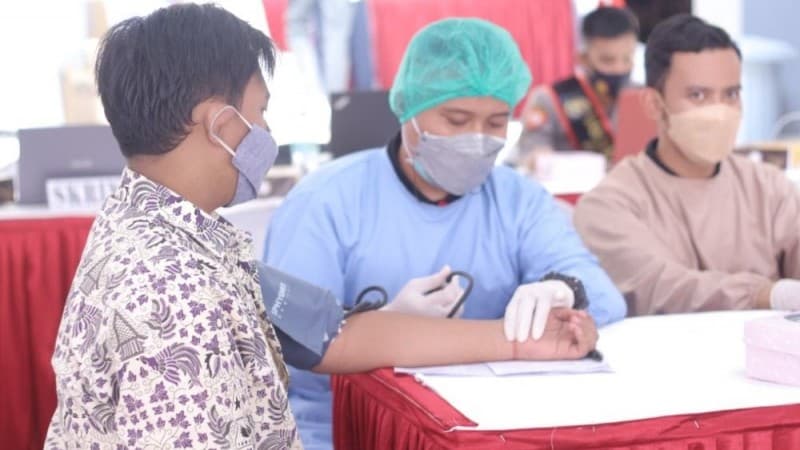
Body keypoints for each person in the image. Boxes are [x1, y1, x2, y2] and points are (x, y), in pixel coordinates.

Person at [44, 5, 598, 449]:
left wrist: (519, 340)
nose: (265, 131)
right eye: (260, 112)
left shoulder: (174, 233)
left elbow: (330, 336)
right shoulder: (171, 291)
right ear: (220, 125)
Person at [264, 18, 626, 449]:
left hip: (491, 427)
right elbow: (289, 346)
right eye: (456, 119)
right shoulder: (326, 201)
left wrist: (565, 289)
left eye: (496, 122)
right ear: (410, 109)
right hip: (342, 429)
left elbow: (605, 297)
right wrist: (374, 328)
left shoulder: (517, 200)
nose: (477, 138)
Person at [574, 14, 800, 316]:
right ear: (654, 104)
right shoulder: (609, 205)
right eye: (698, 95)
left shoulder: (769, 188)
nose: (719, 110)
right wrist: (766, 294)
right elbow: (661, 288)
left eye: (731, 94)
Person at [509, 6, 639, 168]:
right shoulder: (549, 98)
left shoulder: (644, 98)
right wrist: (543, 159)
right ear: (583, 59)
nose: (619, 68)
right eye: (607, 60)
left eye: (627, 59)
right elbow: (531, 152)